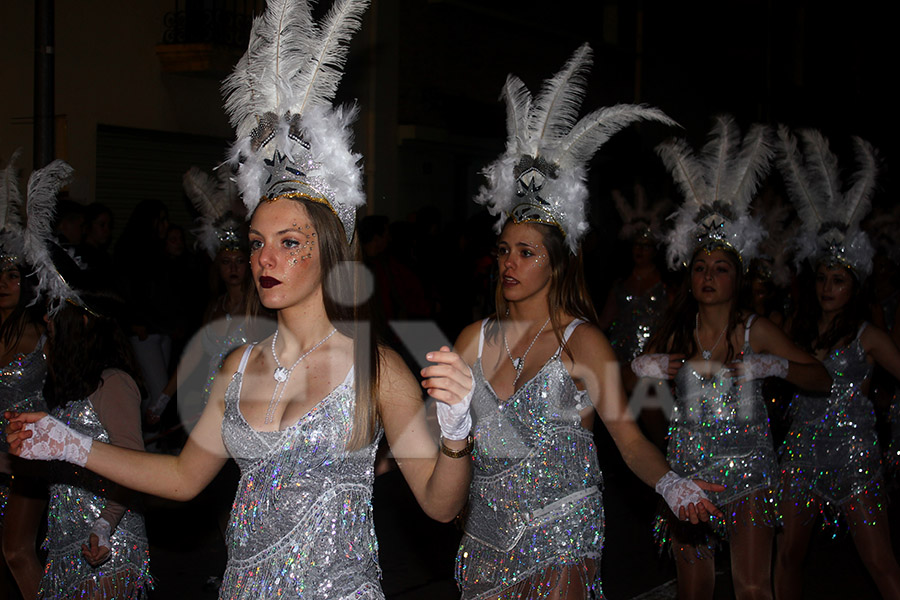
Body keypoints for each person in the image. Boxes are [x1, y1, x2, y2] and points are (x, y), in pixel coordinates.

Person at [7, 1, 473, 597]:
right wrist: (71, 444)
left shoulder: (373, 367)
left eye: (288, 242)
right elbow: (181, 477)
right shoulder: (239, 366)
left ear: (328, 252)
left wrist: (457, 435)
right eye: (256, 243)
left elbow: (438, 505)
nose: (264, 260)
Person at [450, 44, 721, 600]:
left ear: (557, 261)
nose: (510, 264)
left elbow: (626, 437)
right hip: (485, 533)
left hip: (561, 528)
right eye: (504, 251)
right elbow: (441, 434)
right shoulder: (473, 339)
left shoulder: (583, 341)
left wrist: (670, 484)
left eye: (527, 252)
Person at [635, 116, 831, 600]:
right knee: (695, 589)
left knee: (751, 588)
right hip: (687, 470)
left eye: (720, 268)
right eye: (700, 267)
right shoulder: (676, 329)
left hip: (748, 471)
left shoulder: (754, 329)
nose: (708, 276)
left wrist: (777, 367)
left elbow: (822, 378)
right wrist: (648, 368)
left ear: (736, 277)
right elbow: (631, 384)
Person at [774, 127, 900, 599]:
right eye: (823, 278)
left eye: (839, 280)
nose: (828, 287)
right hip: (801, 456)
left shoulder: (870, 336)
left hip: (854, 459)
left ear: (855, 287)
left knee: (880, 563)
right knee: (787, 555)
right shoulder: (798, 331)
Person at [38, 293, 153, 599]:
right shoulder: (67, 387)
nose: (46, 320)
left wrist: (104, 525)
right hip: (65, 541)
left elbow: (134, 466)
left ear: (83, 321)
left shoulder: (113, 382)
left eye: (54, 312)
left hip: (108, 539)